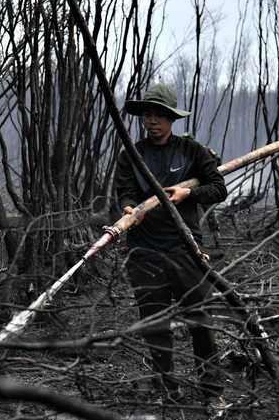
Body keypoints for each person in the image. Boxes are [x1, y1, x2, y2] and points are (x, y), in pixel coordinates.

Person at [114, 83, 228, 405]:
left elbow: (218, 187)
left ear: (172, 119)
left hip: (186, 250)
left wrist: (188, 194)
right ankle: (168, 388)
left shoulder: (191, 151)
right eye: (148, 114)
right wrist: (129, 210)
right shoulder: (131, 155)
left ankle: (212, 393)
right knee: (155, 325)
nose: (152, 121)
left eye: (159, 115)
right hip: (144, 253)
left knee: (200, 323)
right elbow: (125, 192)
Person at [183, 131, 223, 248]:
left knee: (209, 209)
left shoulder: (202, 149)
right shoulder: (183, 152)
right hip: (191, 184)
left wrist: (211, 170)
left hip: (204, 183)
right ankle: (194, 240)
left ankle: (216, 237)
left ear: (193, 140)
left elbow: (218, 158)